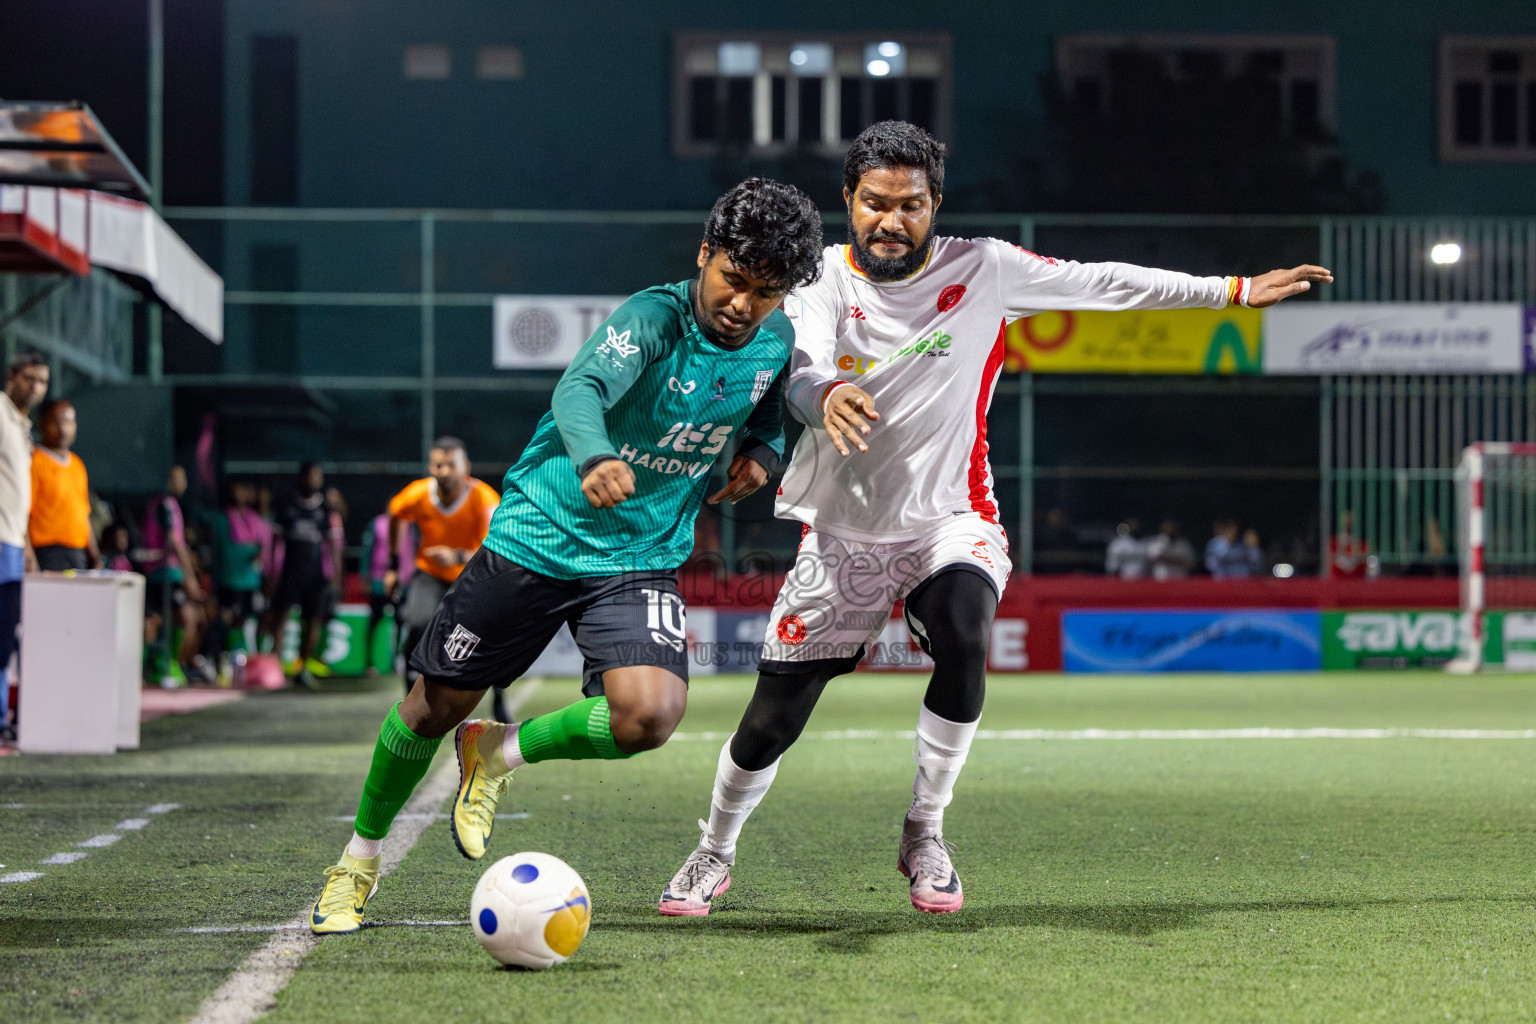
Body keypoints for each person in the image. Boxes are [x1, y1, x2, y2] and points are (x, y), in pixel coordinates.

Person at [658, 120, 1333, 918]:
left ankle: (926, 831)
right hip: (843, 537)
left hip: (953, 518)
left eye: (910, 205)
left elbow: (1106, 283)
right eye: (875, 203)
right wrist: (825, 396)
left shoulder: (985, 268)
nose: (891, 220)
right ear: (850, 202)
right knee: (771, 720)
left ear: (934, 206)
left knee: (967, 631)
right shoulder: (821, 282)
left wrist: (1231, 291)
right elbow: (800, 367)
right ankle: (714, 850)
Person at [308, 177, 824, 935]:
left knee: (648, 716)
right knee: (431, 708)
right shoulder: (653, 317)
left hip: (640, 554)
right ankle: (357, 861)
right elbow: (579, 388)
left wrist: (762, 452)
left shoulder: (774, 341)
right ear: (705, 254)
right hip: (539, 537)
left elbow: (770, 402)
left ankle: (498, 751)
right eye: (734, 280)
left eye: (766, 292)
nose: (744, 305)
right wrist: (591, 457)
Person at [384, 437, 500, 693]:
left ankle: (499, 696)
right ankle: (409, 696)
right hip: (430, 573)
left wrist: (457, 556)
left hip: (471, 577)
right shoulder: (418, 493)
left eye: (451, 465)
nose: (444, 472)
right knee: (417, 624)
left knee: (488, 634)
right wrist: (392, 566)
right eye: (438, 465)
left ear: (466, 467)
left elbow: (496, 550)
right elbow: (395, 514)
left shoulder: (484, 499)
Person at [259, 463, 344, 688]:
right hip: (288, 572)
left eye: (319, 476)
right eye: (311, 475)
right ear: (302, 477)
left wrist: (336, 575)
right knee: (280, 618)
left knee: (312, 622)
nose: (315, 480)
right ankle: (275, 667)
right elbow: (274, 543)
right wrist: (270, 572)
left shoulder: (325, 509)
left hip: (315, 575)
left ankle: (302, 666)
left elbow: (334, 545)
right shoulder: (286, 504)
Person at [0, 353, 48, 739]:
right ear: (11, 377)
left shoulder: (20, 425)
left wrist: (27, 545)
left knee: (6, 633)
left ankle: (1, 717)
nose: (35, 387)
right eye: (29, 378)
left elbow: (18, 494)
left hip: (14, 542)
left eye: (42, 381)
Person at [143, 465, 211, 684]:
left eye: (183, 478)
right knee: (175, 617)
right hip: (161, 573)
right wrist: (189, 575)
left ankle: (173, 662)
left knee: (183, 617)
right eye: (177, 478)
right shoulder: (164, 504)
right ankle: (163, 664)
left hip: (169, 574)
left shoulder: (172, 505)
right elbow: (174, 542)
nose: (182, 483)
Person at [28, 400, 102, 572]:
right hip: (47, 554)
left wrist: (96, 556)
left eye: (68, 422)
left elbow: (84, 513)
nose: (63, 429)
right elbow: (24, 513)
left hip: (78, 554)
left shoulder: (78, 465)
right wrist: (28, 552)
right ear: (42, 424)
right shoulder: (35, 461)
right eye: (56, 422)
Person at [207, 479, 271, 657]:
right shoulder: (221, 520)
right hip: (230, 580)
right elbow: (224, 553)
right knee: (227, 619)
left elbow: (265, 547)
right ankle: (220, 656)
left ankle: (242, 657)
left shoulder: (255, 519)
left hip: (251, 582)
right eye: (238, 489)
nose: (242, 493)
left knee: (247, 620)